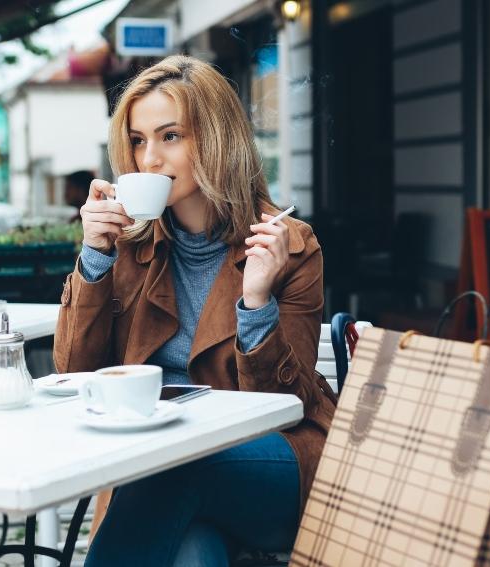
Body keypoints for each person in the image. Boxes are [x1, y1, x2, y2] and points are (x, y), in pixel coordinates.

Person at [53, 55, 336, 566]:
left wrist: (256, 300)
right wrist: (94, 257)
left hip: (275, 461)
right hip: (167, 475)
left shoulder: (288, 245)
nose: (149, 159)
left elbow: (282, 405)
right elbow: (74, 374)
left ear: (215, 139)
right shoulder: (127, 246)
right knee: (193, 553)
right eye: (138, 141)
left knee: (175, 465)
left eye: (170, 136)